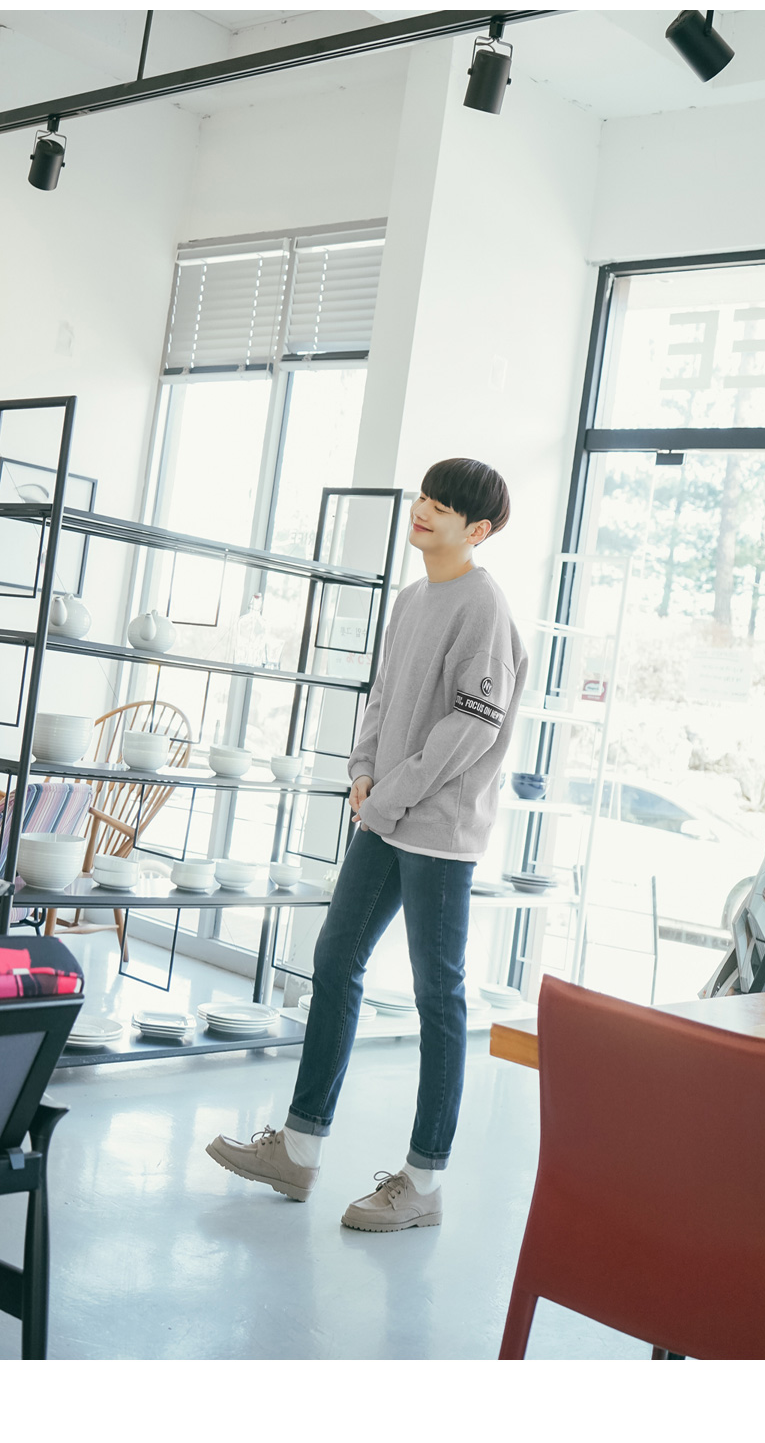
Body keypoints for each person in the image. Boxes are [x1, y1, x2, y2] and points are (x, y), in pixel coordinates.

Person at [208, 460, 526, 1231]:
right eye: (424, 496)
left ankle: (424, 1181)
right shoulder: (413, 597)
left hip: (440, 831)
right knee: (335, 959)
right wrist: (361, 770)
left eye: (442, 505)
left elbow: (470, 727)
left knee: (437, 997)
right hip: (387, 813)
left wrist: (390, 791)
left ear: (477, 530)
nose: (423, 510)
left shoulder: (483, 605)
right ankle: (299, 1150)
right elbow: (383, 697)